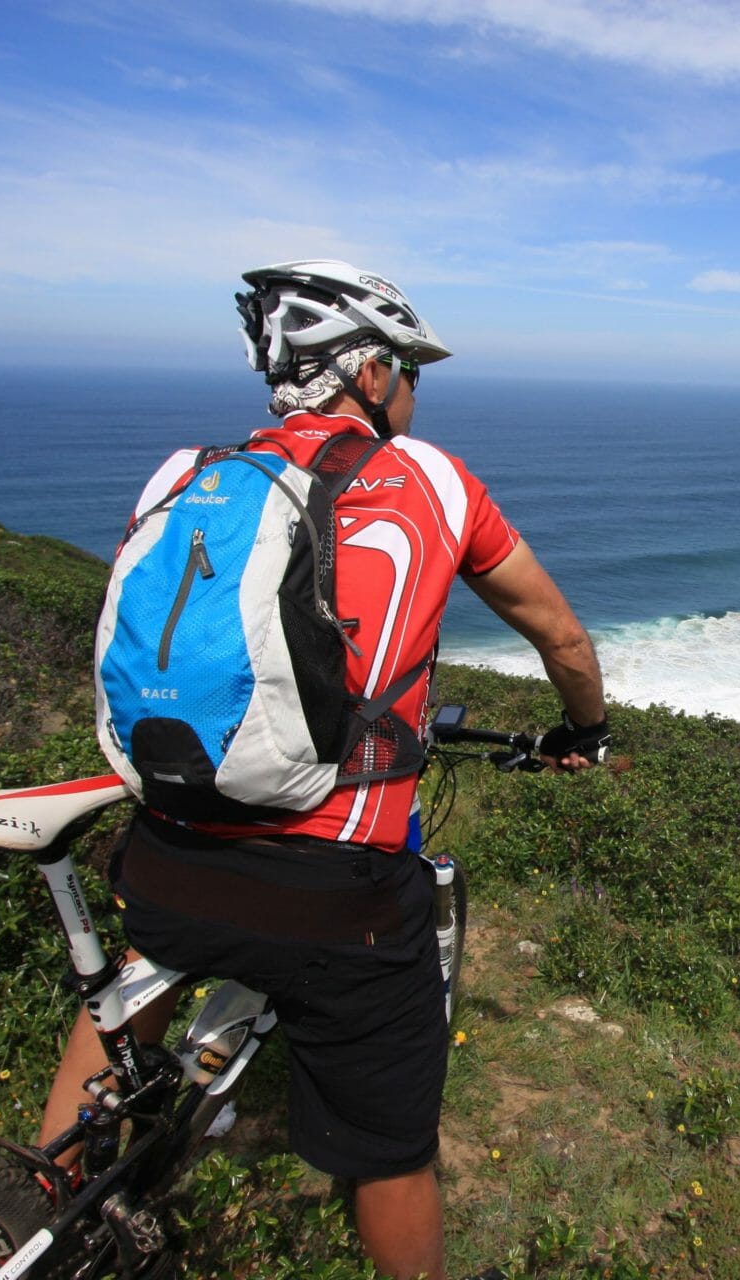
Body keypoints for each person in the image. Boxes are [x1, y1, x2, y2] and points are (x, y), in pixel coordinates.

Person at [39, 261, 609, 1280]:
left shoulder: (182, 474)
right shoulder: (431, 479)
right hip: (339, 892)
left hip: (168, 843)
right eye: (410, 374)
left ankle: (37, 1216)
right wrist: (585, 730)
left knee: (130, 991)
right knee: (393, 1150)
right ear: (373, 372)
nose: (416, 394)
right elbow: (561, 636)